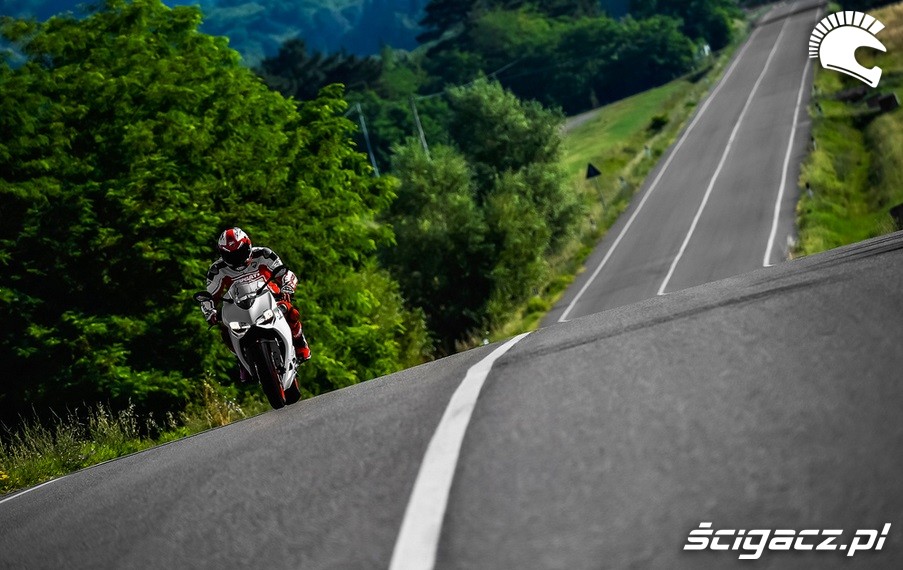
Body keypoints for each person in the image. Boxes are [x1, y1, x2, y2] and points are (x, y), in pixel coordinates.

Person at [199, 227, 311, 382]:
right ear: (222, 254)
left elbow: (285, 273)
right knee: (225, 329)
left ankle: (300, 343)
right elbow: (208, 296)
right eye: (230, 255)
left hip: (270, 298)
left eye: (240, 252)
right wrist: (210, 311)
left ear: (248, 244)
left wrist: (287, 287)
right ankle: (241, 360)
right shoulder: (217, 270)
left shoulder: (264, 254)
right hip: (239, 307)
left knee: (290, 311)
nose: (237, 258)